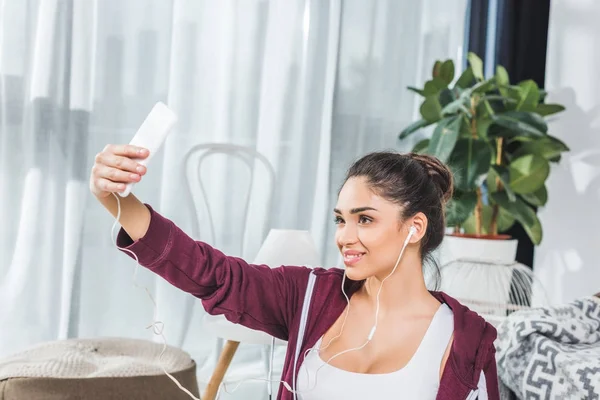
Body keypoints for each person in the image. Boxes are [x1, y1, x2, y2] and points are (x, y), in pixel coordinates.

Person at [90, 144, 499, 400]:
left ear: (415, 227)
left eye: (366, 220)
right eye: (341, 220)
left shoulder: (465, 340)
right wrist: (114, 199)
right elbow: (211, 273)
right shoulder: (306, 296)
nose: (346, 237)